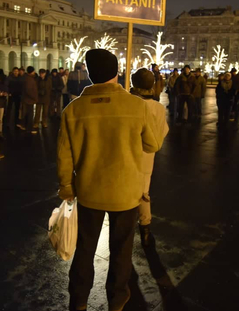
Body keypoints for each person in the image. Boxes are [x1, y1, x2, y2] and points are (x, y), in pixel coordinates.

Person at [57, 49, 166, 311]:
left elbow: (64, 155)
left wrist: (66, 187)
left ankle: (80, 299)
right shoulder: (136, 105)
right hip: (126, 191)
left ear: (89, 74)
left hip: (89, 189)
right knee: (121, 249)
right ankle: (117, 298)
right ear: (116, 72)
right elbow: (152, 144)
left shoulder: (73, 109)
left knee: (84, 248)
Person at [129, 68, 170, 247]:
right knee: (143, 194)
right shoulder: (158, 108)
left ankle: (125, 228)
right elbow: (163, 132)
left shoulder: (130, 104)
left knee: (125, 192)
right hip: (147, 158)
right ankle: (145, 227)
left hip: (128, 155)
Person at [22, 66, 39, 133]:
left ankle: (26, 126)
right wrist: (34, 97)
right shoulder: (29, 79)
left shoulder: (28, 78)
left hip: (28, 99)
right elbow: (29, 90)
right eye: (33, 71)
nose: (34, 72)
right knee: (30, 114)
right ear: (31, 72)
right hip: (29, 100)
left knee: (28, 113)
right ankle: (29, 128)